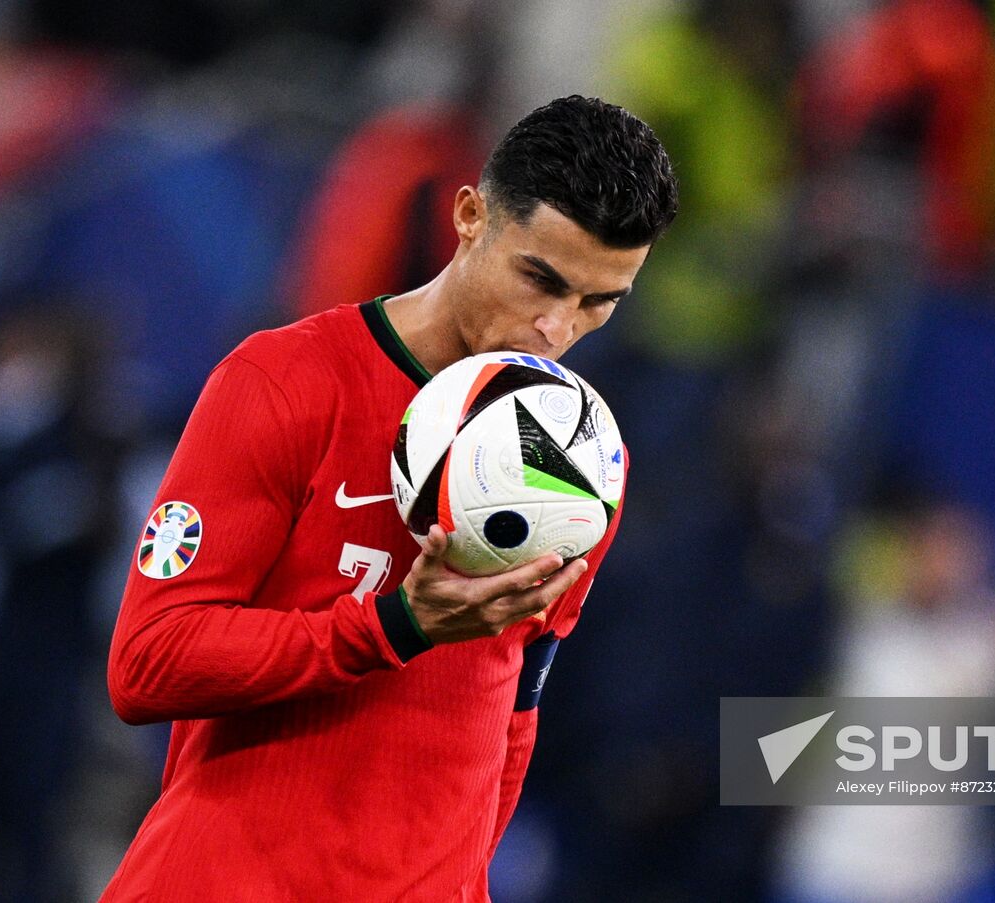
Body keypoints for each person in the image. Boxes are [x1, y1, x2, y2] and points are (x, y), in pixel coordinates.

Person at [102, 95, 678, 901]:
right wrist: (393, 626)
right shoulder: (285, 383)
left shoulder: (580, 465)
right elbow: (147, 663)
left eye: (598, 302)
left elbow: (511, 712)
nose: (555, 329)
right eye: (540, 278)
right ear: (471, 216)